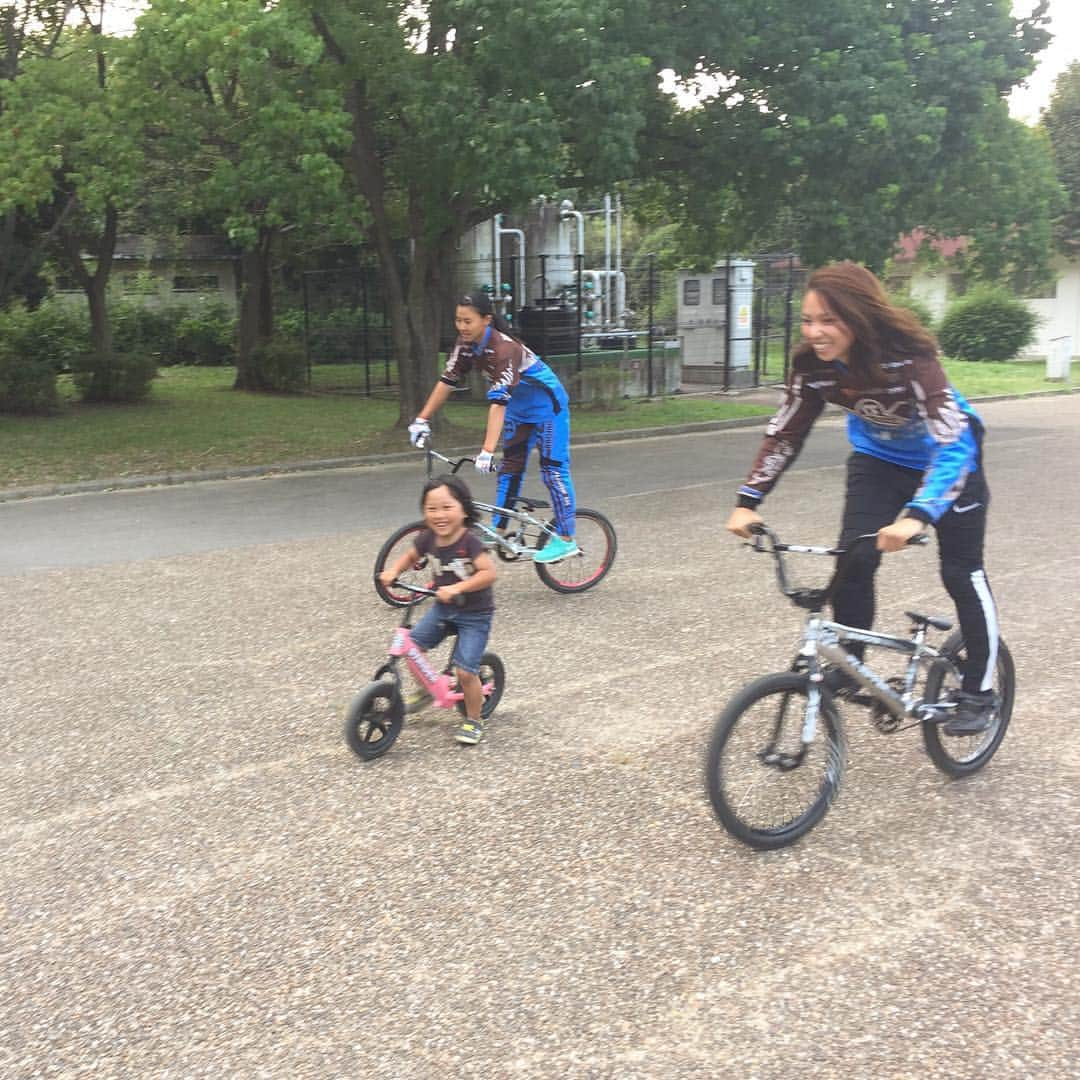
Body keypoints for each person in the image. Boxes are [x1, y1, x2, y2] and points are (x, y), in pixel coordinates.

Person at [725, 261, 1001, 737]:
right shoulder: (813, 367)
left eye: (829, 320)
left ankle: (980, 690)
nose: (815, 331)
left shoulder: (910, 357)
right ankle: (849, 664)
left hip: (952, 462)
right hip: (878, 460)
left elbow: (953, 443)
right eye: (808, 320)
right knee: (854, 557)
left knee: (961, 573)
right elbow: (785, 434)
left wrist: (918, 515)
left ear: (858, 316)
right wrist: (749, 499)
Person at [407, 292, 579, 564]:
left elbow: (497, 404)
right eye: (458, 320)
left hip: (548, 410)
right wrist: (422, 419)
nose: (462, 327)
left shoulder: (504, 349)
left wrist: (487, 451)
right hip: (518, 411)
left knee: (552, 472)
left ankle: (567, 538)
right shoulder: (465, 346)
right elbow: (446, 381)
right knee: (509, 470)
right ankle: (498, 529)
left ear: (486, 320)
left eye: (468, 321)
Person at [378, 474, 497, 745]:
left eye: (447, 507)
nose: (439, 515)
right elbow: (411, 556)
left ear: (464, 509)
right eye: (432, 509)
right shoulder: (427, 538)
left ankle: (474, 720)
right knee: (412, 649)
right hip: (444, 608)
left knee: (466, 672)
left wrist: (458, 588)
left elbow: (488, 574)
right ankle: (427, 689)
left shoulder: (471, 542)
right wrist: (394, 570)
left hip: (475, 614)